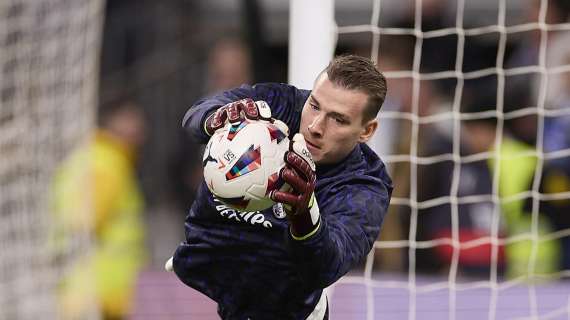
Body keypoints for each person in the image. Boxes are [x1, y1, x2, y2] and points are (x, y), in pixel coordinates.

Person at [167, 55, 393, 319]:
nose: (315, 126)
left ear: (366, 131)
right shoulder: (279, 105)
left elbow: (328, 265)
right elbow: (197, 115)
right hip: (213, 278)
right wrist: (216, 119)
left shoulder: (365, 186)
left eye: (338, 120)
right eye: (315, 105)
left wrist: (304, 215)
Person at [51, 97, 148, 319]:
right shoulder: (107, 163)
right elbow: (84, 222)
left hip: (89, 293)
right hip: (96, 294)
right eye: (132, 118)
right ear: (113, 121)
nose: (141, 127)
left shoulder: (96, 157)